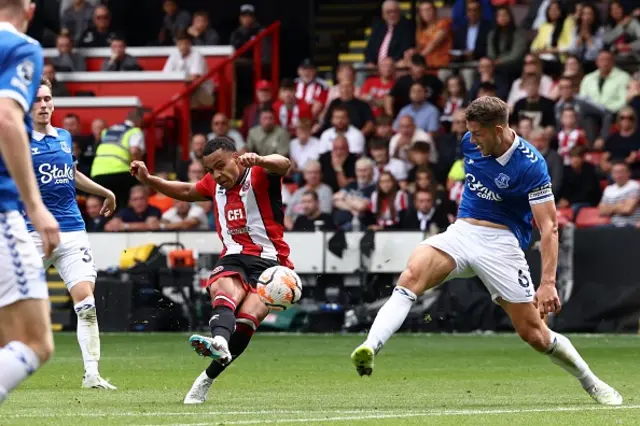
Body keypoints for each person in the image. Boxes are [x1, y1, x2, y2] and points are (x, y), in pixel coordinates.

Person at [350, 96, 622, 406]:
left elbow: (549, 227)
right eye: (470, 132)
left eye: (478, 133)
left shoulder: (531, 165)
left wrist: (547, 282)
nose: (472, 140)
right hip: (462, 232)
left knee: (534, 334)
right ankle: (370, 347)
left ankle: (592, 383)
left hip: (501, 245)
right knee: (411, 276)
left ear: (498, 129)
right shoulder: (468, 143)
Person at [129, 136, 292, 405]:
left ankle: (206, 378)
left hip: (271, 263)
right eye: (210, 170)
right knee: (222, 289)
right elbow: (183, 191)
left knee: (246, 322)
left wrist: (261, 159)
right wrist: (149, 180)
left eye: (220, 165)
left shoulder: (260, 173)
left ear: (236, 157)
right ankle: (218, 341)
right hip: (234, 257)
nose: (216, 175)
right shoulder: (212, 185)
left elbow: (284, 164)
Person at [28, 77, 117, 389]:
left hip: (72, 230)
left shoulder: (64, 137)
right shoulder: (15, 139)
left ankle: (92, 374)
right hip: (32, 233)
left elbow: (73, 173)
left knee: (86, 304)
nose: (43, 105)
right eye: (37, 100)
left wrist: (105, 191)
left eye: (47, 99)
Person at [0, 0, 61, 406]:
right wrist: (35, 207)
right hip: (3, 212)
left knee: (7, 341)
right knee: (36, 342)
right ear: (30, 7)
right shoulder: (20, 46)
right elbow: (5, 118)